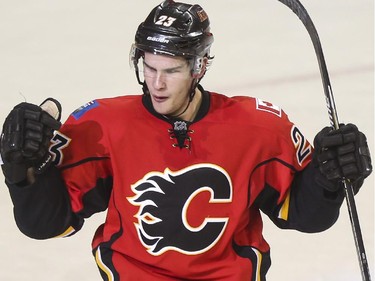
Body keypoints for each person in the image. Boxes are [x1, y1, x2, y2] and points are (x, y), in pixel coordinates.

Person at [0, 1, 372, 280]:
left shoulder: (259, 128)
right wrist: (22, 171)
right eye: (149, 67)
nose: (156, 84)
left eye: (171, 71)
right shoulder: (102, 125)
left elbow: (306, 218)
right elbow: (44, 224)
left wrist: (328, 178)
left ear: (200, 67)